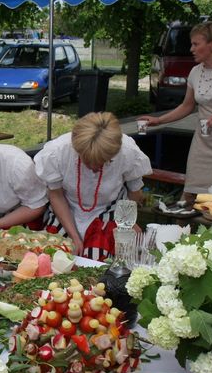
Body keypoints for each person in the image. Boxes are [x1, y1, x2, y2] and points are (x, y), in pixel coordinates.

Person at [141, 21, 212, 204]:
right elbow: (187, 106)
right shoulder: (195, 72)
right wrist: (159, 120)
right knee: (190, 194)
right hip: (203, 143)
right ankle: (180, 229)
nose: (191, 49)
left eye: (196, 44)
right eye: (191, 44)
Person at [34, 112, 152, 261]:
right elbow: (56, 195)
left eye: (103, 162)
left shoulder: (128, 152)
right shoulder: (58, 152)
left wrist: (128, 222)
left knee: (96, 258)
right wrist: (74, 237)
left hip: (109, 209)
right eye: (88, 162)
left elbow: (134, 192)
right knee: (58, 257)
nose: (94, 168)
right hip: (66, 208)